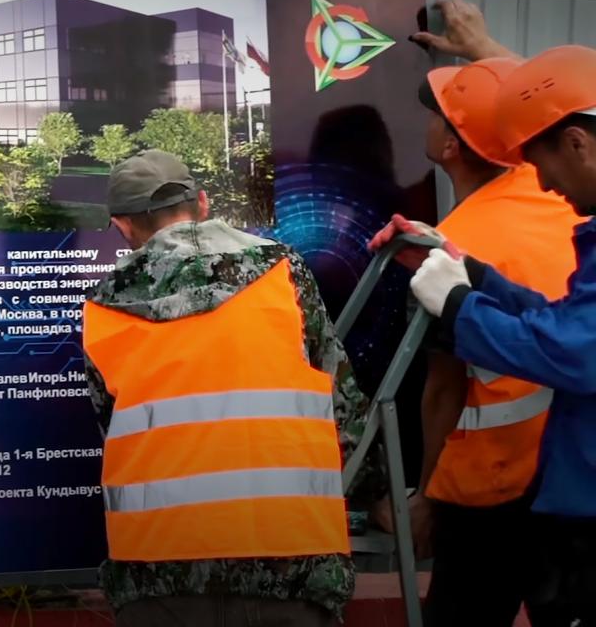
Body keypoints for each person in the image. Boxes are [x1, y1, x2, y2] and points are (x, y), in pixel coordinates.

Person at [82, 150, 385, 627]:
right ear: (202, 204)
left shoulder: (104, 303)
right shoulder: (282, 272)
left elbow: (111, 426)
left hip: (159, 576)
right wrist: (378, 495)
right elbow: (341, 403)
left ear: (122, 226)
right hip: (289, 566)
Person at [370, 58, 584, 626]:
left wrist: (424, 498)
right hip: (563, 476)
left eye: (435, 115)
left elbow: (444, 391)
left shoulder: (464, 238)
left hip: (490, 487)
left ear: (449, 145)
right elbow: (563, 318)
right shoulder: (559, 202)